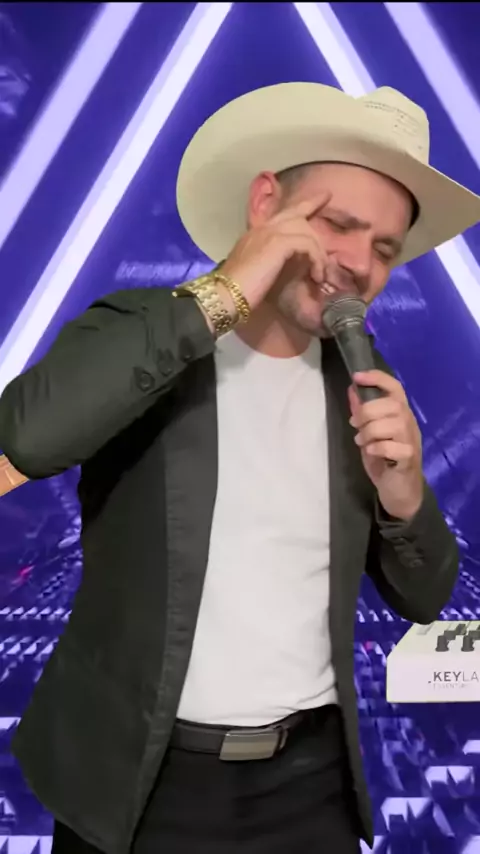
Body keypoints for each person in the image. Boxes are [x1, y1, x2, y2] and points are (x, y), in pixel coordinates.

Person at [0, 81, 478, 854]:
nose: (359, 263)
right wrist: (224, 292)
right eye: (338, 225)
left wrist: (403, 497)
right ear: (265, 206)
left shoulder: (363, 384)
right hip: (135, 789)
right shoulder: (139, 333)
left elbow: (426, 596)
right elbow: (29, 436)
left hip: (309, 790)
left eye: (386, 249)